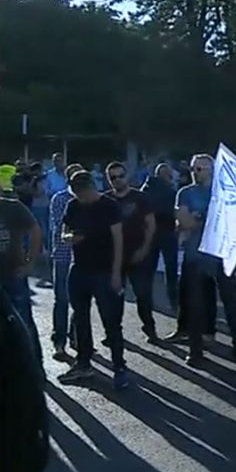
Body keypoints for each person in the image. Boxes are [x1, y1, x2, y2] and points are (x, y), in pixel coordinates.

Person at [57, 171, 129, 388]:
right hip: (79, 269)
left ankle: (119, 366)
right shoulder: (73, 206)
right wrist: (71, 238)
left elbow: (119, 241)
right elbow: (64, 232)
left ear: (91, 188)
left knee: (111, 321)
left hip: (105, 271)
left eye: (83, 193)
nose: (81, 198)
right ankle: (83, 363)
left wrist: (117, 273)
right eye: (77, 194)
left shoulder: (109, 207)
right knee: (80, 318)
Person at [174, 154, 236, 366]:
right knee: (195, 307)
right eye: (193, 169)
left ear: (212, 170)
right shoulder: (185, 193)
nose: (196, 173)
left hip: (221, 254)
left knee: (231, 303)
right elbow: (185, 222)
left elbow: (232, 221)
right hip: (195, 255)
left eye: (201, 169)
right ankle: (195, 351)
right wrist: (207, 218)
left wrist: (200, 218)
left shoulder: (224, 193)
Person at [105, 162, 158, 342]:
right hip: (114, 257)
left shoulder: (140, 198)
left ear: (127, 176)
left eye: (120, 176)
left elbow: (151, 225)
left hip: (139, 255)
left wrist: (144, 249)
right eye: (113, 177)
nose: (117, 180)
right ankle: (114, 333)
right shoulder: (106, 200)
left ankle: (150, 329)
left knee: (143, 295)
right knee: (114, 298)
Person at [0, 175, 43, 360]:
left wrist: (30, 264)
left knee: (23, 321)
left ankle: (35, 366)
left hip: (13, 273)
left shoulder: (13, 207)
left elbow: (36, 231)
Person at [48, 163, 85, 360]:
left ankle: (77, 337)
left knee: (80, 302)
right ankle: (59, 342)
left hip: (83, 257)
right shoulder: (60, 199)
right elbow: (61, 225)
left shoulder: (90, 199)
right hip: (63, 255)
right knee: (61, 299)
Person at [141, 163, 179, 310]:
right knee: (171, 269)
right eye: (169, 175)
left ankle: (147, 300)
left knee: (148, 269)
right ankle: (173, 300)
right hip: (167, 232)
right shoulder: (169, 192)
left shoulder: (145, 189)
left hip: (150, 233)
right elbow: (172, 212)